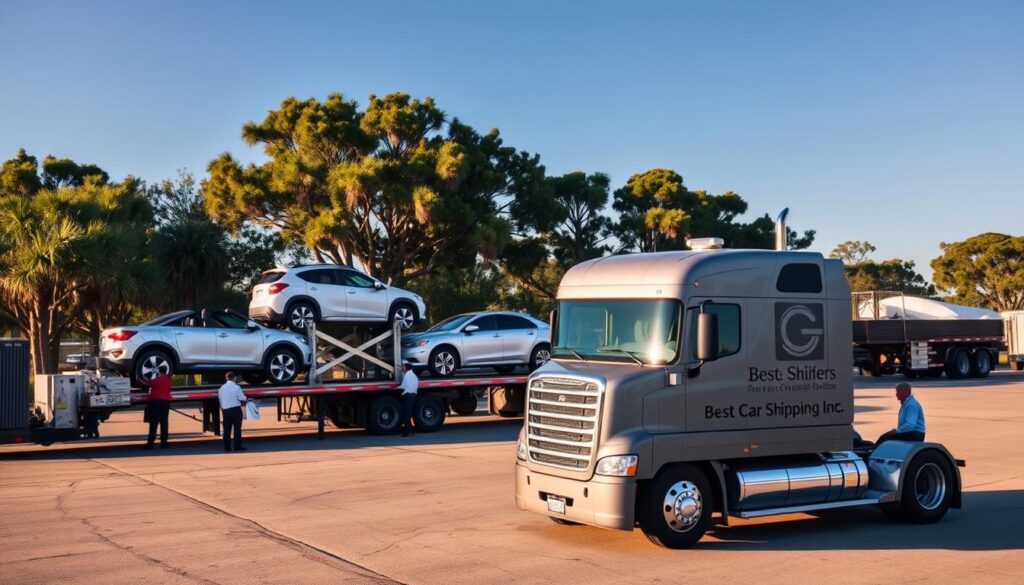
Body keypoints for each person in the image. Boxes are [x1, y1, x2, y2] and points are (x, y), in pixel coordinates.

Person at [141, 372, 172, 449]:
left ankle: (151, 443)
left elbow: (147, 383)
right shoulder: (168, 381)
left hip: (156, 402)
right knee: (164, 422)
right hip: (166, 402)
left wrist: (144, 377)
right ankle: (164, 443)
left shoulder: (157, 380)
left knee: (154, 422)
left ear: (159, 372)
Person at [218, 371, 248, 452]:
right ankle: (237, 446)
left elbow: (220, 401)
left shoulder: (221, 389)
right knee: (237, 429)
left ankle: (227, 448)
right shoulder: (236, 387)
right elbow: (242, 398)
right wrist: (246, 398)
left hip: (226, 410)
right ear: (234, 378)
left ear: (226, 378)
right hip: (236, 410)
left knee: (226, 430)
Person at [398, 362, 419, 437]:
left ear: (406, 368)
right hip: (413, 395)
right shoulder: (414, 376)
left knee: (406, 414)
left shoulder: (407, 375)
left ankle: (407, 432)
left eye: (403, 367)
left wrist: (398, 389)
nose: (403, 368)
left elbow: (404, 386)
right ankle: (411, 430)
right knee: (409, 413)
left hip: (408, 396)